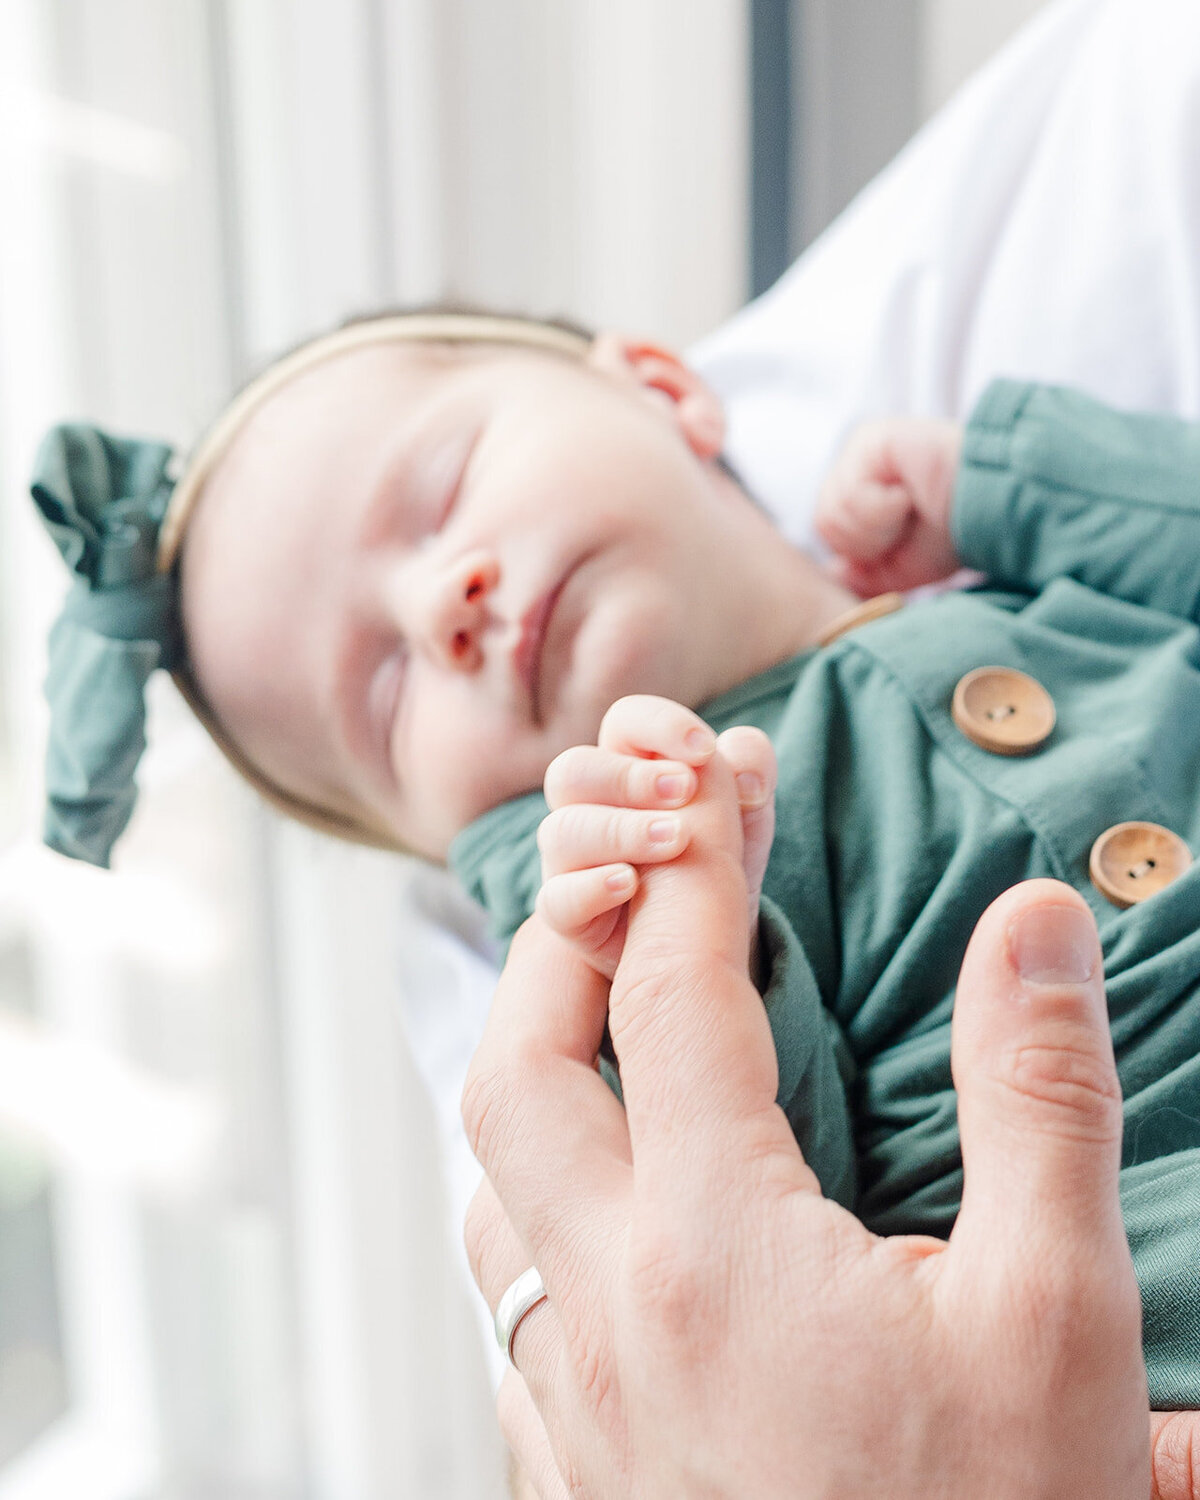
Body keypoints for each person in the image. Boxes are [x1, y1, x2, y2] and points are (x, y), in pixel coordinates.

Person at [30, 308, 1200, 1411]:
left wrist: (1012, 480)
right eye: (386, 696)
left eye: (443, 492)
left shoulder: (1021, 577)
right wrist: (694, 962)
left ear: (661, 390)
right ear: (455, 835)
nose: (444, 604)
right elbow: (766, 1248)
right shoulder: (648, 915)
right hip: (1131, 1258)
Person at [462, 794, 1194, 1496]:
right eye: (392, 702)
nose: (447, 655)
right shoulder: (580, 894)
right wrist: (730, 977)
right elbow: (766, 1282)